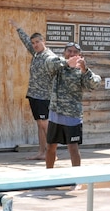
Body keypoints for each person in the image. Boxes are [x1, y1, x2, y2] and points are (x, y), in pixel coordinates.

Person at [45, 42, 101, 169]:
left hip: (72, 116)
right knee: (50, 147)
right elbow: (48, 63)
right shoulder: (58, 66)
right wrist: (66, 63)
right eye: (69, 51)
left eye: (75, 52)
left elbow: (95, 84)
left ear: (80, 55)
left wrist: (85, 70)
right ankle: (48, 176)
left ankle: (76, 179)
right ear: (64, 53)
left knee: (73, 148)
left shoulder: (82, 71)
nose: (72, 54)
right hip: (55, 114)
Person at [9, 20, 56, 161]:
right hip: (34, 95)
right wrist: (18, 28)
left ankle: (53, 153)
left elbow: (59, 65)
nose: (35, 45)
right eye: (33, 43)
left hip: (44, 96)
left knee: (45, 123)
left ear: (43, 41)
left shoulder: (49, 57)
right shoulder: (36, 54)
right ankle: (42, 152)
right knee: (39, 124)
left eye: (37, 42)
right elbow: (26, 42)